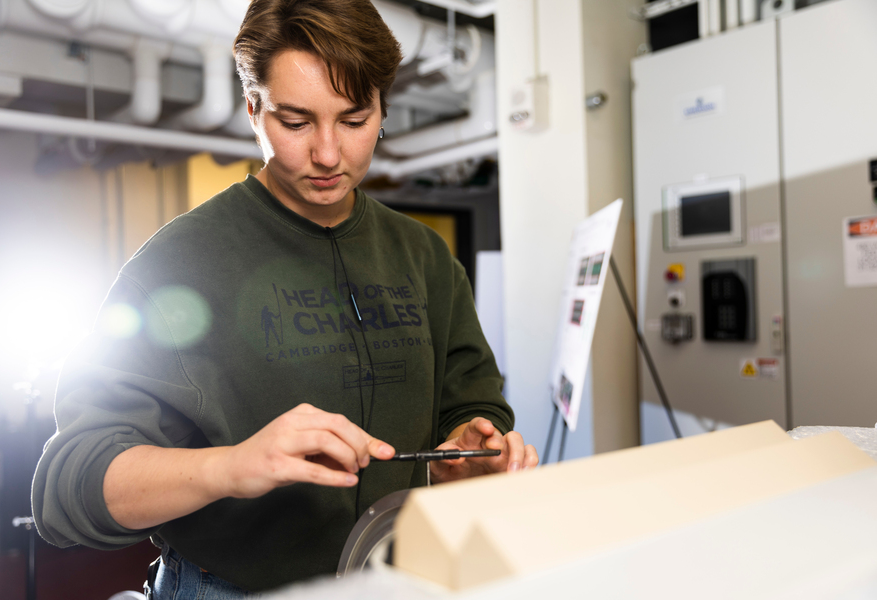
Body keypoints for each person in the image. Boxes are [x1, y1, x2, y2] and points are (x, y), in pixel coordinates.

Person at [32, 0, 538, 596]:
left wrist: (469, 447)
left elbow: (472, 402)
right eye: (295, 123)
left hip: (395, 577)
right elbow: (68, 488)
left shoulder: (423, 256)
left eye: (353, 120)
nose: (327, 154)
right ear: (253, 111)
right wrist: (234, 465)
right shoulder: (174, 265)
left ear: (381, 110)